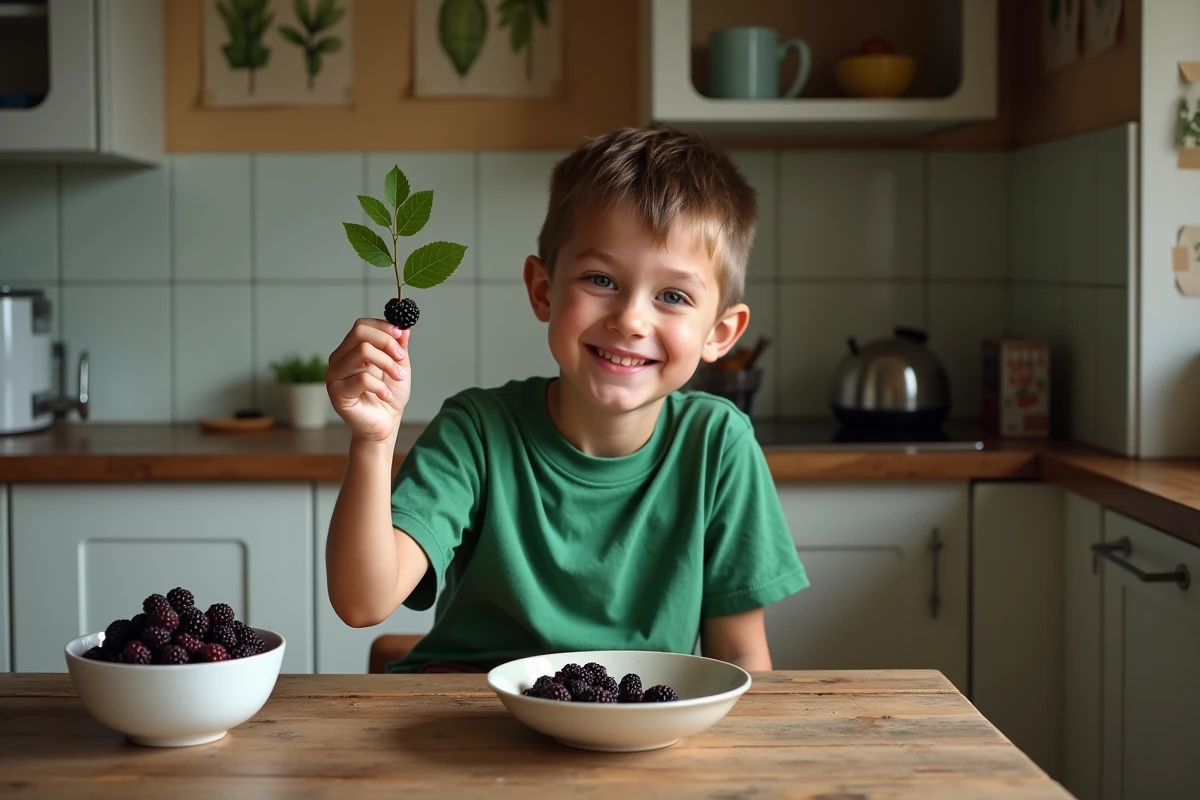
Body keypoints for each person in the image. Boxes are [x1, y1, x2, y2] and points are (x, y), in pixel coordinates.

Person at [324, 126, 808, 674]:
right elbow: (363, 603)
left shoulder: (719, 445)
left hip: (633, 730)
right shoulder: (477, 432)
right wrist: (373, 441)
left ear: (720, 333)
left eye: (673, 296)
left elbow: (740, 654)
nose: (630, 320)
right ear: (543, 290)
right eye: (601, 279)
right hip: (465, 718)